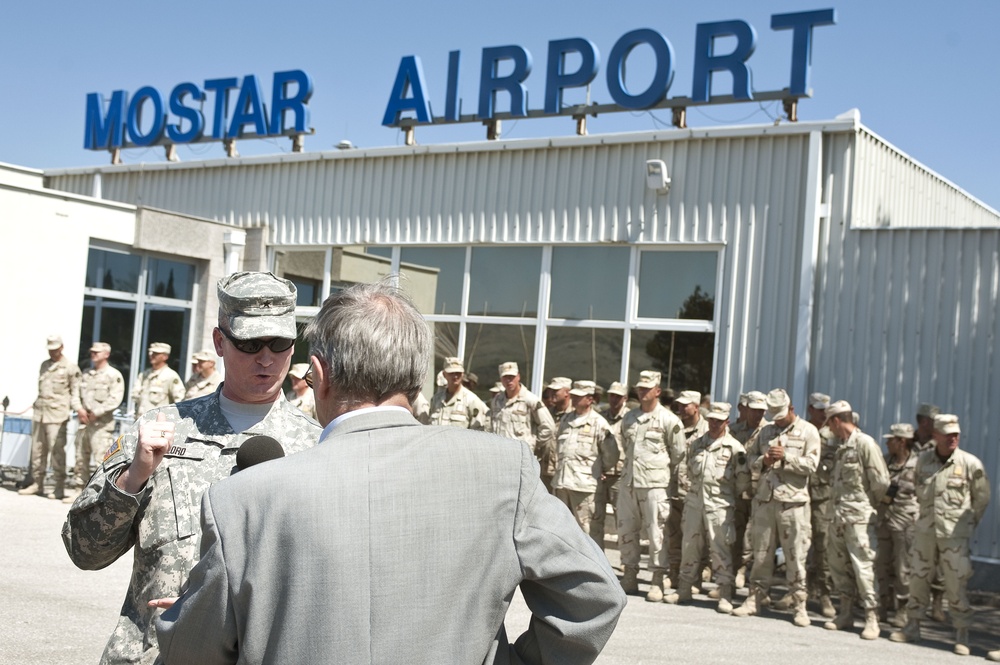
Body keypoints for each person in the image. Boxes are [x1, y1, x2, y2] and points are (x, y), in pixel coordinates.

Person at [154, 280, 626, 665]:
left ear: (319, 372)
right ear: (419, 378)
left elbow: (190, 654)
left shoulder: (242, 499)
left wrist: (181, 616)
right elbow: (594, 597)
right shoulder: (505, 470)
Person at [62, 271, 321, 665]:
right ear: (220, 342)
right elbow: (84, 551)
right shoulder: (160, 429)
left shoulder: (317, 446)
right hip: (154, 654)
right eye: (250, 343)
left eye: (280, 343)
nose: (266, 358)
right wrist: (133, 478)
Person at [889, 414, 991, 656]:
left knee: (956, 583)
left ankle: (961, 634)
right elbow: (917, 489)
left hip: (954, 536)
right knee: (918, 578)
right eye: (948, 434)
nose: (954, 438)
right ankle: (913, 626)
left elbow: (982, 498)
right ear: (936, 436)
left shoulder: (969, 463)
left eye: (956, 433)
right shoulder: (922, 461)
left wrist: (967, 523)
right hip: (925, 532)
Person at [733, 388, 819, 626]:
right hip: (765, 501)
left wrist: (786, 458)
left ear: (791, 409)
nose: (777, 420)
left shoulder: (808, 432)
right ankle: (755, 598)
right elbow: (750, 461)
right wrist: (766, 460)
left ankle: (799, 604)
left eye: (781, 415)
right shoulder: (766, 431)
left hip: (793, 505)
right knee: (761, 554)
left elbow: (812, 465)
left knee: (795, 556)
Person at [664, 402, 749, 613]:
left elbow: (743, 481)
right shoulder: (697, 443)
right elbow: (686, 468)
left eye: (718, 421)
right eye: (711, 420)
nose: (713, 424)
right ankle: (684, 589)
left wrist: (726, 496)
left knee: (720, 550)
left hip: (720, 506)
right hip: (694, 503)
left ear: (726, 422)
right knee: (689, 547)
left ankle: (725, 594)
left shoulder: (735, 448)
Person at [822, 400, 889, 640]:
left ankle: (872, 618)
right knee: (839, 567)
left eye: (829, 423)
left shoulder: (864, 443)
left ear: (836, 421)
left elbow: (881, 482)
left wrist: (866, 504)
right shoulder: (841, 447)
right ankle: (846, 613)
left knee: (863, 569)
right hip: (838, 517)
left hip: (859, 519)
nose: (828, 429)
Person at [616, 370, 685, 602]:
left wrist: (657, 470)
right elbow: (625, 446)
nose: (642, 391)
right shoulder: (629, 418)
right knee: (627, 530)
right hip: (629, 483)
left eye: (647, 388)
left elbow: (678, 454)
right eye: (639, 388)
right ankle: (630, 575)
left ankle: (657, 579)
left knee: (657, 533)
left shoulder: (669, 420)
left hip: (655, 485)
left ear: (657, 391)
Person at [552, 380, 619, 540]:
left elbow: (611, 455)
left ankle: (592, 565)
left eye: (579, 397)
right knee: (561, 533)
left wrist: (599, 470)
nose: (574, 400)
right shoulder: (565, 419)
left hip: (585, 487)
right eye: (573, 396)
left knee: (588, 534)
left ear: (590, 399)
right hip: (562, 484)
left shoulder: (599, 423)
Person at [18, 335, 82, 499]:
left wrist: (79, 410)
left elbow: (75, 393)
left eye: (55, 349)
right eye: (50, 349)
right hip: (40, 413)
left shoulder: (70, 368)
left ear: (61, 347)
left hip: (57, 415)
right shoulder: (44, 365)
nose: (52, 352)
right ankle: (37, 484)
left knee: (56, 452)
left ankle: (58, 487)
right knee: (37, 451)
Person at [63, 342, 125, 503]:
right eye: (92, 352)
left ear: (106, 354)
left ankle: (99, 494)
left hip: (101, 426)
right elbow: (75, 394)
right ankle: (78, 491)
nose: (93, 354)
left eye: (97, 352)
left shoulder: (113, 375)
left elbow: (115, 398)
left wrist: (97, 413)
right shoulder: (86, 374)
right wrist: (79, 409)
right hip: (84, 423)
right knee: (80, 458)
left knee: (101, 460)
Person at [876, 423, 919, 628]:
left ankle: (902, 609)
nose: (887, 442)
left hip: (906, 522)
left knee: (903, 568)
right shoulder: (885, 461)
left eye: (891, 439)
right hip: (884, 520)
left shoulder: (918, 464)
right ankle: (881, 606)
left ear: (902, 441)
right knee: (881, 565)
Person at [491, 362, 556, 491]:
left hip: (521, 461)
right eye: (505, 377)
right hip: (499, 460)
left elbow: (549, 427)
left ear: (518, 377)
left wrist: (532, 444)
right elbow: (492, 425)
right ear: (501, 379)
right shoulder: (497, 400)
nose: (509, 380)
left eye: (512, 376)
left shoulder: (530, 400)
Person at [729, 390, 767, 589]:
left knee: (755, 535)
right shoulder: (735, 431)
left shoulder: (768, 431)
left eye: (762, 411)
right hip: (738, 490)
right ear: (746, 409)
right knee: (736, 532)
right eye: (754, 410)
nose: (758, 414)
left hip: (761, 491)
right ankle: (734, 570)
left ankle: (747, 572)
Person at [670, 390, 708, 590]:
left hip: (694, 492)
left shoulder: (708, 430)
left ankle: (696, 577)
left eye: (686, 405)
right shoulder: (674, 425)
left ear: (696, 406)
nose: (681, 408)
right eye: (679, 405)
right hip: (673, 488)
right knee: (674, 534)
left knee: (695, 538)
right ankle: (674, 574)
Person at [805, 392, 838, 618]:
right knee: (800, 545)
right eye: (818, 409)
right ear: (810, 409)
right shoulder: (803, 431)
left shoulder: (835, 435)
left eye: (825, 409)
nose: (823, 413)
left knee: (823, 545)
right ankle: (801, 591)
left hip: (823, 497)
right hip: (800, 494)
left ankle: (824, 593)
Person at [593, 381, 628, 548]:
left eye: (618, 396)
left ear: (625, 398)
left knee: (622, 519)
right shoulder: (600, 416)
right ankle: (598, 556)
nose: (614, 399)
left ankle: (624, 557)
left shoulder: (629, 418)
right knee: (596, 517)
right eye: (612, 395)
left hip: (620, 476)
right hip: (601, 474)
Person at [427, 357, 488, 430]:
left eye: (458, 373)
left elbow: (477, 433)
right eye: (451, 373)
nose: (455, 376)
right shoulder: (436, 400)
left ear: (463, 374)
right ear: (444, 374)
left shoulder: (472, 401)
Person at [132, 342, 185, 419]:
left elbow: (180, 402)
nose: (152, 355)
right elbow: (136, 398)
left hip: (158, 425)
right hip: (140, 421)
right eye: (151, 352)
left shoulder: (171, 376)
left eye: (156, 353)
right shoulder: (144, 375)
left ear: (165, 357)